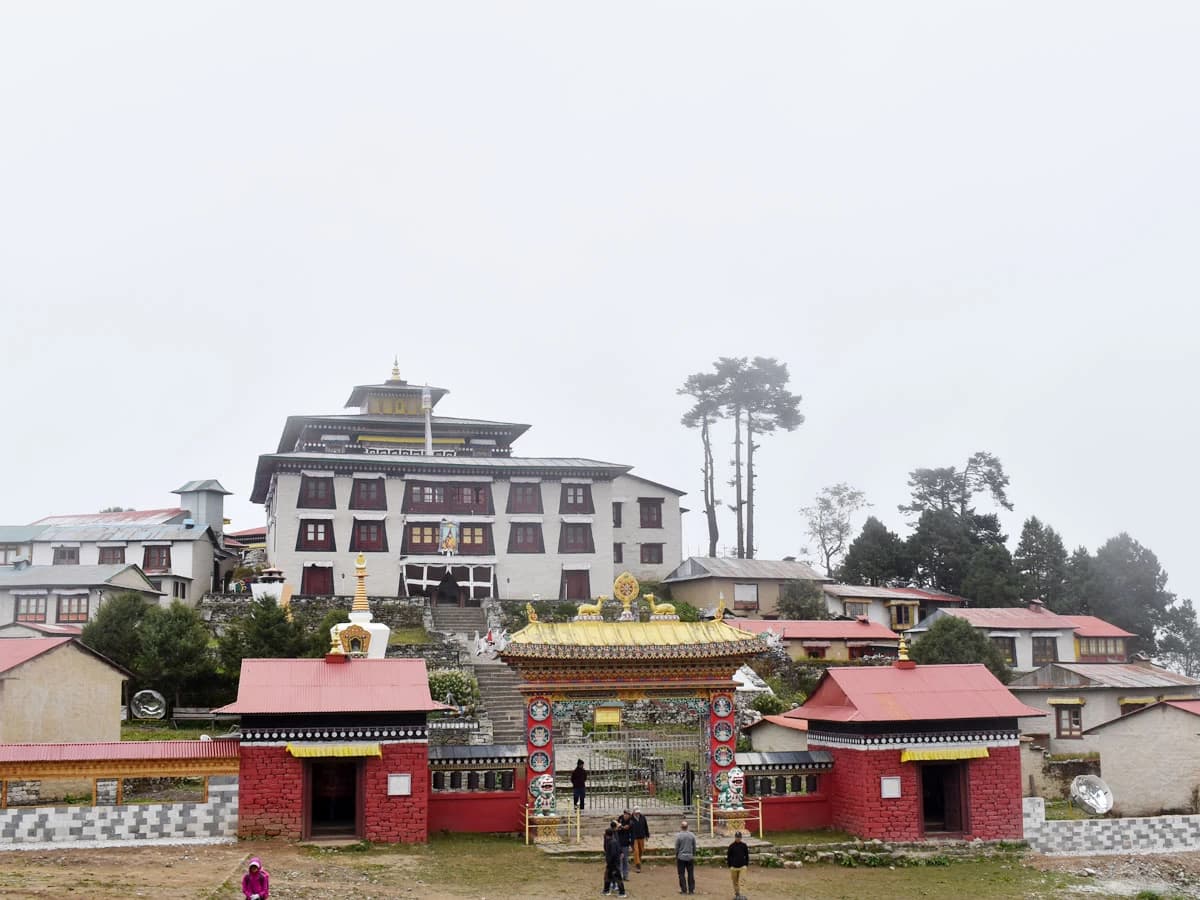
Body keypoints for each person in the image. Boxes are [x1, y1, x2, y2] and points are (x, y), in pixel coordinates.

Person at [603, 821, 627, 897]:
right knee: (608, 876)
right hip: (613, 863)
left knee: (617, 877)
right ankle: (606, 890)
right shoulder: (614, 841)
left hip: (613, 863)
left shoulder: (611, 842)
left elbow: (612, 854)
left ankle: (622, 892)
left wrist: (610, 862)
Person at [674, 820, 697, 895]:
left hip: (681, 857)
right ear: (687, 827)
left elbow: (677, 847)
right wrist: (693, 854)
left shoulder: (679, 836)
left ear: (681, 827)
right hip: (690, 857)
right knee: (690, 874)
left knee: (681, 874)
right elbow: (694, 846)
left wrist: (676, 855)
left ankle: (683, 890)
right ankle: (691, 890)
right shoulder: (692, 835)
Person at [727, 830, 750, 899]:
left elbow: (747, 855)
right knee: (735, 881)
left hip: (742, 866)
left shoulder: (744, 845)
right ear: (735, 837)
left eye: (739, 837)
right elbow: (728, 856)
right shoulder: (731, 846)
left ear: (741, 837)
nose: (738, 838)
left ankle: (742, 895)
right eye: (737, 837)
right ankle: (737, 894)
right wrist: (730, 866)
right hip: (733, 867)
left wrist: (746, 864)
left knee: (742, 881)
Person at [630, 807, 650, 873]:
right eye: (636, 812)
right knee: (636, 851)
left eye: (638, 812)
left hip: (641, 836)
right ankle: (638, 865)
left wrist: (647, 835)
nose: (637, 813)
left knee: (641, 850)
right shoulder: (630, 819)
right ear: (633, 812)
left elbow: (645, 826)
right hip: (634, 837)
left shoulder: (643, 817)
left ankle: (638, 860)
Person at [617, 810, 634, 880]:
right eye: (625, 814)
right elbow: (616, 826)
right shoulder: (620, 819)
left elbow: (628, 827)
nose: (626, 815)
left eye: (627, 814)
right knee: (620, 860)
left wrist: (622, 827)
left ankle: (625, 875)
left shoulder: (631, 821)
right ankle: (620, 875)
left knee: (625, 860)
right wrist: (620, 827)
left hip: (626, 843)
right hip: (618, 842)